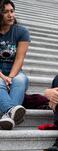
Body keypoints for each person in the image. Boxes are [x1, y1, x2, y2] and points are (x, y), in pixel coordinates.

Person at [0, 0, 29, 130]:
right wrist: (2, 76)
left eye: (12, 11)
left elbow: (19, 58)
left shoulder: (21, 31)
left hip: (14, 70)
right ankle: (11, 111)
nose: (10, 15)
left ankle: (6, 116)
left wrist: (10, 77)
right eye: (5, 12)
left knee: (21, 80)